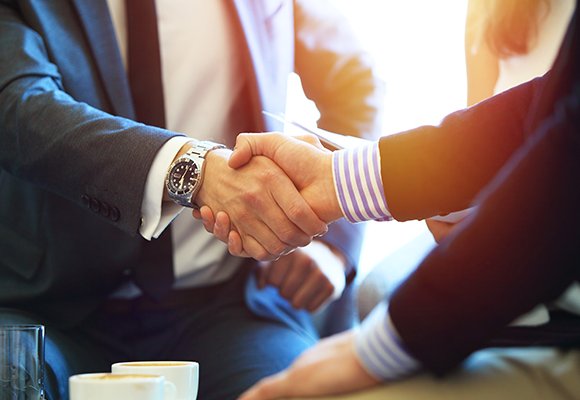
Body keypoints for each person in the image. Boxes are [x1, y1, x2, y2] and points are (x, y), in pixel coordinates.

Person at [0, 1, 384, 399]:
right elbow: (17, 103)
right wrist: (190, 169)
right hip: (48, 308)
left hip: (228, 308)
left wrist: (330, 238)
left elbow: (353, 80)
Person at [199, 3, 580, 398]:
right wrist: (335, 180)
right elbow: (537, 114)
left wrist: (377, 347)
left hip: (549, 305)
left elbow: (563, 169)